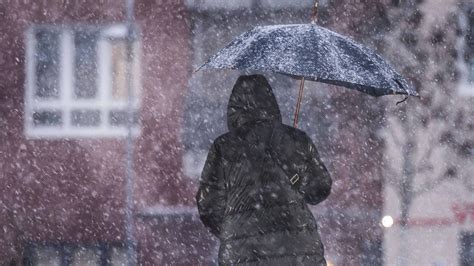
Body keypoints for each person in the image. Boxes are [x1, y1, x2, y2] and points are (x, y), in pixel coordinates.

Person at [196, 75, 332, 265]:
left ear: (234, 108)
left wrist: (235, 230)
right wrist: (295, 170)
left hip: (244, 253)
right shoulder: (296, 140)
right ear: (271, 102)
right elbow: (319, 190)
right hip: (297, 250)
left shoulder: (223, 147)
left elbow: (208, 206)